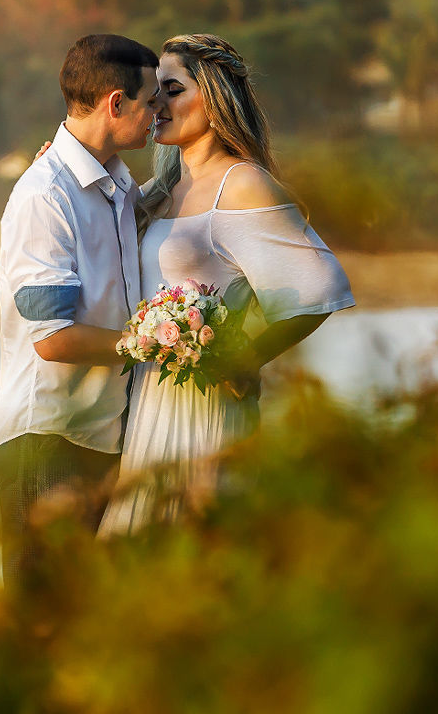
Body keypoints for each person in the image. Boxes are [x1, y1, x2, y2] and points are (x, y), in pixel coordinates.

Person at [96, 33, 355, 536]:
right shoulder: (163, 189)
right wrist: (60, 165)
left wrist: (245, 357)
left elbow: (320, 286)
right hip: (151, 402)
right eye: (154, 92)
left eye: (172, 89)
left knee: (199, 550)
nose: (157, 103)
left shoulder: (242, 183)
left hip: (208, 406)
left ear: (213, 100)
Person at [0, 34, 162, 590]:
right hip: (48, 439)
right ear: (116, 103)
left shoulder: (115, 181)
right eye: (151, 102)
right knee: (38, 617)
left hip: (99, 432)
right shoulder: (46, 196)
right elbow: (53, 338)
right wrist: (156, 342)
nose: (158, 115)